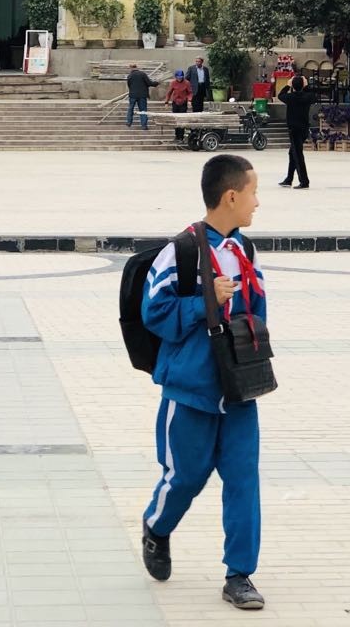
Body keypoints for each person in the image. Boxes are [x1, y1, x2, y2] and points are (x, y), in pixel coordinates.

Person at [140, 154, 267, 611]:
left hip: (239, 389)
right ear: (231, 196)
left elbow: (256, 311)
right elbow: (154, 313)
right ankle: (157, 528)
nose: (257, 202)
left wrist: (254, 360)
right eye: (253, 192)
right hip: (191, 390)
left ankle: (240, 575)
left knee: (243, 480)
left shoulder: (245, 250)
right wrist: (204, 301)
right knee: (185, 477)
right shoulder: (181, 251)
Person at [277, 74, 320, 190]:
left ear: (293, 86)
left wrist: (287, 85)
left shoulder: (290, 97)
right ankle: (289, 179)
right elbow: (314, 96)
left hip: (294, 130)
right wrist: (306, 86)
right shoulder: (307, 97)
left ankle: (304, 181)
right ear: (303, 85)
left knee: (298, 155)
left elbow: (280, 95)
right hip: (304, 129)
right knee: (293, 153)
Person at [127, 63, 159, 130]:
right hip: (142, 95)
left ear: (131, 68)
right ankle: (144, 125)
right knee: (143, 110)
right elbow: (149, 83)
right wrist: (156, 83)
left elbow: (129, 85)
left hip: (132, 95)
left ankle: (129, 122)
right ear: (137, 67)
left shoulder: (130, 76)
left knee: (131, 108)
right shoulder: (142, 74)